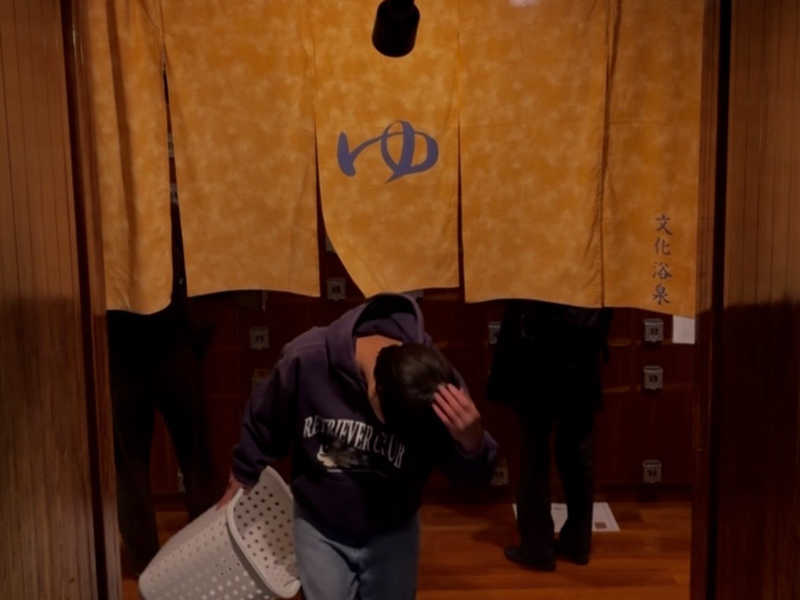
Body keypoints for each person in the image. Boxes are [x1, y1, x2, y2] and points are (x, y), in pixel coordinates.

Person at [217, 293, 498, 600]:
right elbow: (266, 419)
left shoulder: (434, 381)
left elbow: (474, 481)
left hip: (394, 529)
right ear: (373, 390)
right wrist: (242, 474)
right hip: (319, 524)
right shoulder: (307, 358)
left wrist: (472, 441)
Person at [108, 198, 217, 575]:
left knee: (132, 463)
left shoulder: (107, 218)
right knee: (195, 455)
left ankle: (144, 561)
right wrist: (196, 339)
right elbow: (204, 279)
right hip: (172, 343)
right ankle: (205, 552)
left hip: (124, 345)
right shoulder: (174, 213)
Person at [489, 299, 612, 571]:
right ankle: (578, 541)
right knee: (578, 446)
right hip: (584, 340)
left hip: (536, 342)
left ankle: (537, 545)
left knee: (534, 448)